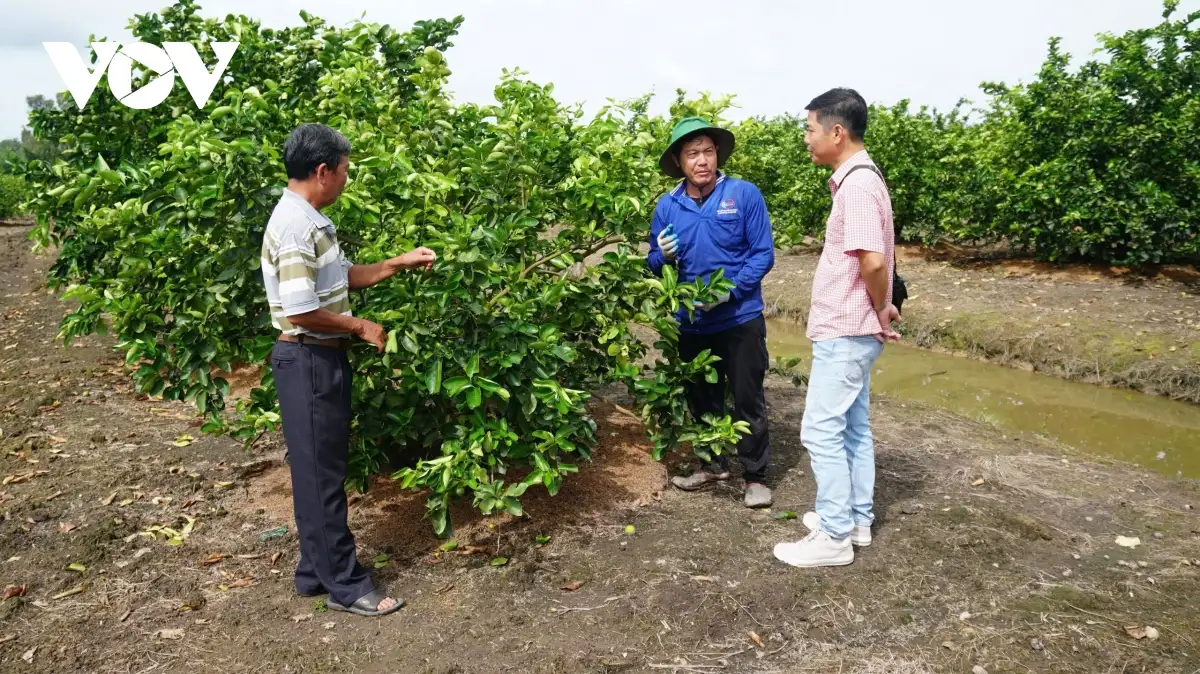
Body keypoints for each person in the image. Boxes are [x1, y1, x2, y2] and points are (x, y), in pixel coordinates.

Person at [261, 123, 437, 615]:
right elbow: (299, 309)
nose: (345, 180)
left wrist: (396, 263)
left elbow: (339, 280)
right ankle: (346, 585)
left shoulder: (307, 219)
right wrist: (359, 327)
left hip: (315, 356)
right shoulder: (297, 228)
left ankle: (314, 573)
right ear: (322, 171)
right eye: (343, 171)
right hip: (308, 356)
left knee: (319, 470)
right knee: (322, 475)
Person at [773, 89, 900, 568]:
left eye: (809, 129)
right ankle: (856, 519)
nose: (806, 139)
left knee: (821, 431)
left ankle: (833, 536)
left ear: (836, 132)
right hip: (854, 326)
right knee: (852, 427)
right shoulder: (858, 181)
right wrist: (881, 307)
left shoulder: (859, 185)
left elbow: (872, 261)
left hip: (848, 328)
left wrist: (882, 305)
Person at [648, 117, 776, 509]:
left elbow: (762, 254)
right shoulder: (667, 207)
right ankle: (712, 463)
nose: (701, 160)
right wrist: (661, 256)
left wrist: (729, 292)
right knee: (702, 396)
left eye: (707, 151)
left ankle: (755, 475)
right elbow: (653, 262)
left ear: (717, 154)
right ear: (678, 160)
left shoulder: (743, 194)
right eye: (692, 153)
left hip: (739, 318)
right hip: (692, 322)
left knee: (746, 396)